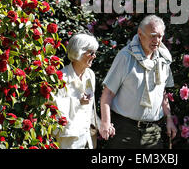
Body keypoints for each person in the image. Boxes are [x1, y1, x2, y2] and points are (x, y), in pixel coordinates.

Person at [99, 15, 177, 148]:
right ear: (140, 34)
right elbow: (107, 94)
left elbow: (162, 93)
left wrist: (169, 118)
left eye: (160, 36)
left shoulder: (164, 59)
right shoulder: (125, 57)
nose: (157, 41)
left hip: (152, 132)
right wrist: (105, 122)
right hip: (124, 130)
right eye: (153, 35)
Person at [51, 33, 100, 149]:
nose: (94, 56)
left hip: (87, 138)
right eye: (91, 53)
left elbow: (90, 107)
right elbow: (53, 108)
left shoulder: (90, 75)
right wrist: (78, 101)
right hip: (68, 140)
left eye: (95, 53)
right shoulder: (61, 78)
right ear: (79, 52)